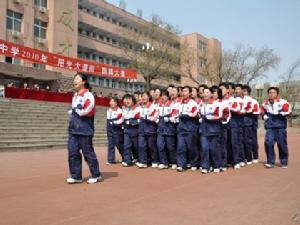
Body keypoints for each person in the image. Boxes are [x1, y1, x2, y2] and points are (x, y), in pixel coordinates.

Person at [66, 74, 101, 184]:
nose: (74, 81)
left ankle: (96, 174)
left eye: (77, 79)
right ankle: (76, 176)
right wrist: (73, 112)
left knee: (88, 153)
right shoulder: (75, 95)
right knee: (72, 152)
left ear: (84, 82)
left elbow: (90, 108)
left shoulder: (88, 94)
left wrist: (80, 112)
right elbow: (75, 108)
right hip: (73, 129)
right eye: (74, 79)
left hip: (84, 129)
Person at [261, 87, 291, 169]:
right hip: (270, 127)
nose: (271, 94)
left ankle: (284, 162)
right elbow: (262, 111)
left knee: (281, 144)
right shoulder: (265, 103)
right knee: (268, 143)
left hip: (280, 126)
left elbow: (288, 111)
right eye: (270, 92)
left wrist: (281, 113)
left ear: (277, 94)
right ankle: (270, 162)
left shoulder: (283, 102)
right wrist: (264, 116)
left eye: (273, 92)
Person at [199, 86, 223, 173]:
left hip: (214, 130)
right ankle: (206, 167)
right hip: (203, 130)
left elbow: (219, 116)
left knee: (214, 149)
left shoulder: (216, 104)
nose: (205, 94)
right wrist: (200, 118)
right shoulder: (201, 104)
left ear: (211, 94)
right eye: (204, 92)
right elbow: (200, 114)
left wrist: (210, 117)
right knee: (204, 148)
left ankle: (216, 165)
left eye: (207, 92)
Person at [177, 86, 199, 172]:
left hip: (190, 128)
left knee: (191, 147)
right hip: (181, 128)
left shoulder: (193, 103)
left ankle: (194, 163)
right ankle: (181, 165)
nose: (184, 93)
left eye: (186, 91)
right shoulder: (180, 103)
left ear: (190, 93)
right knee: (181, 147)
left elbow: (195, 114)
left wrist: (187, 115)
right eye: (183, 91)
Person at [156, 90, 178, 169]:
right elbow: (156, 115)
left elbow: (175, 116)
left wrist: (169, 119)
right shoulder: (159, 105)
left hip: (169, 128)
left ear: (167, 96)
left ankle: (174, 162)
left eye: (164, 96)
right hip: (160, 128)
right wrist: (156, 119)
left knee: (170, 147)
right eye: (161, 96)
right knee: (160, 145)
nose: (162, 97)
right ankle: (164, 162)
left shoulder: (172, 105)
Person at [137, 91, 159, 168]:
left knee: (151, 146)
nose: (143, 97)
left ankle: (155, 161)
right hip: (142, 129)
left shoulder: (153, 106)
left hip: (150, 128)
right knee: (141, 145)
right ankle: (143, 162)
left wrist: (147, 118)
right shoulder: (140, 107)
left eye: (145, 96)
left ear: (149, 97)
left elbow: (156, 118)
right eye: (142, 96)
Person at [228, 84, 244, 169]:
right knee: (228, 143)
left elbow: (240, 111)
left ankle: (238, 160)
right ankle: (230, 160)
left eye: (230, 89)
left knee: (236, 142)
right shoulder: (222, 100)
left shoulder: (237, 100)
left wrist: (228, 109)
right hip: (225, 124)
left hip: (235, 123)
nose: (229, 90)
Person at [122, 94, 140, 166]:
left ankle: (140, 159)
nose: (127, 101)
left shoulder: (137, 109)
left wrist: (132, 122)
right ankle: (127, 161)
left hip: (135, 130)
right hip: (127, 130)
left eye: (129, 99)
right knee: (126, 146)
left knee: (136, 146)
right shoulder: (124, 109)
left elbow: (139, 120)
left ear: (133, 100)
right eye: (126, 99)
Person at [106, 97, 124, 165]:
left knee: (119, 144)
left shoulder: (119, 110)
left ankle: (125, 157)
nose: (111, 103)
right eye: (110, 101)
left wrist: (115, 123)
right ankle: (111, 160)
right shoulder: (108, 110)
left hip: (117, 129)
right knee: (110, 145)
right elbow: (108, 121)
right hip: (110, 129)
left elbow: (121, 120)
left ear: (116, 103)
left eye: (113, 101)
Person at [219, 82, 231, 171]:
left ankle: (224, 163)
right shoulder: (217, 101)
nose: (220, 91)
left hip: (228, 124)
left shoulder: (231, 100)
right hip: (216, 125)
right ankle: (217, 163)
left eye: (222, 89)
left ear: (228, 90)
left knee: (226, 144)